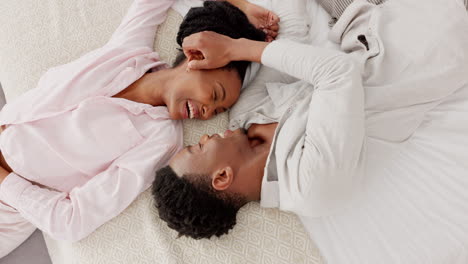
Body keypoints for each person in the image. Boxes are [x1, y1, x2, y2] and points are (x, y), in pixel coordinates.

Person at [152, 0, 468, 262]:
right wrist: (236, 48)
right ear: (221, 177)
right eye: (198, 148)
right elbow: (337, 73)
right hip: (431, 38)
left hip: (362, 19)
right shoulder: (312, 184)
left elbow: (293, 38)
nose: (204, 136)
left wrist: (249, 14)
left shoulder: (244, 118)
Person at [0, 0, 279, 258]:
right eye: (215, 96)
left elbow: (71, 222)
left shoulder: (160, 140)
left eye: (217, 112)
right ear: (195, 56)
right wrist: (242, 6)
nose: (207, 114)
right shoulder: (128, 51)